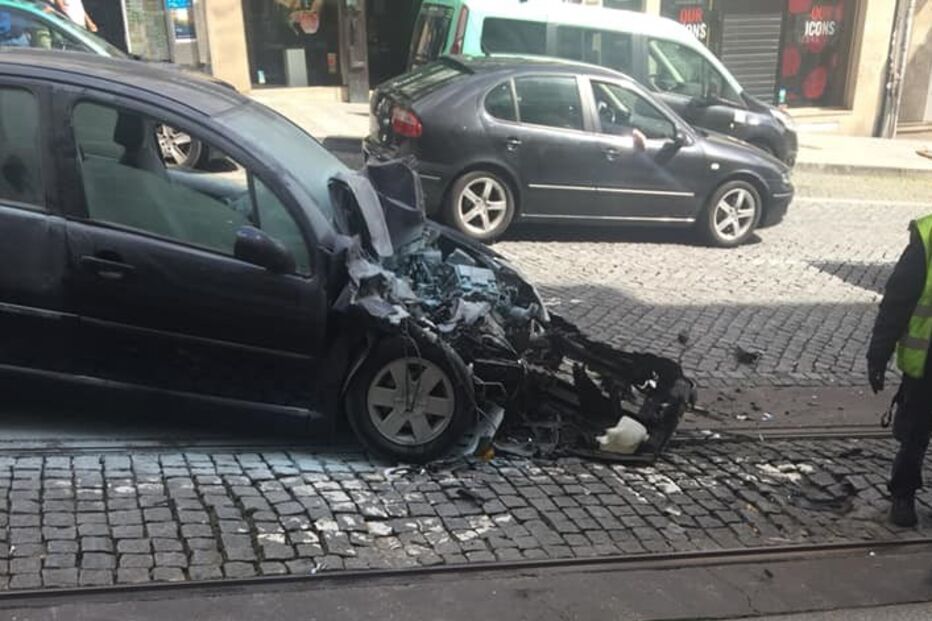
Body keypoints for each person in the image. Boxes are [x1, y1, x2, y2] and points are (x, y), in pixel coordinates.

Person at [868, 214, 932, 527]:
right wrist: (878, 353)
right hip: (928, 363)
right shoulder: (927, 234)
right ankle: (903, 496)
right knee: (915, 434)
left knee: (915, 433)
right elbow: (898, 299)